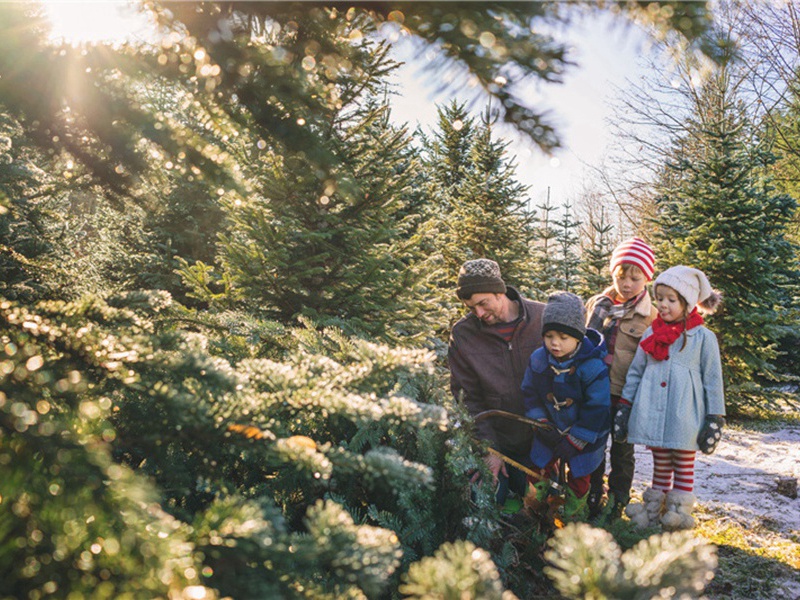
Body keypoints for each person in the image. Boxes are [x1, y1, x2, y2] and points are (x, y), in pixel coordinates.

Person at [615, 266, 725, 530]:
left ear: (687, 303)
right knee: (661, 463)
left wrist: (715, 417)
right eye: (659, 298)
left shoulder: (703, 338)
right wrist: (625, 407)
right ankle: (654, 516)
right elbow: (636, 373)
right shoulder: (651, 333)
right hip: (653, 411)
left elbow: (713, 379)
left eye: (670, 299)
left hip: (685, 414)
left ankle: (677, 519)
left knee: (684, 464)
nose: (662, 305)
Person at [448, 258, 545, 509]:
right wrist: (489, 450)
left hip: (543, 445)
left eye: (483, 303)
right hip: (497, 442)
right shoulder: (463, 335)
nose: (479, 314)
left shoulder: (542, 318)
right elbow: (467, 399)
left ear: (499, 292)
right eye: (471, 308)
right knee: (486, 499)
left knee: (545, 504)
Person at [521, 291, 611, 521]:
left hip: (584, 434)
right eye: (549, 335)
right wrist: (540, 422)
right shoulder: (539, 359)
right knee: (537, 464)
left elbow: (598, 407)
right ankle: (536, 505)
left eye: (563, 337)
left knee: (580, 475)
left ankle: (572, 513)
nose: (555, 343)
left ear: (578, 337)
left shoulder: (592, 367)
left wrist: (577, 438)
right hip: (550, 427)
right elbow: (530, 392)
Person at [584, 237, 657, 520]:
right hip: (595, 390)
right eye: (620, 276)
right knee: (594, 446)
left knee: (623, 452)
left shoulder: (650, 315)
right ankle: (591, 497)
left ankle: (617, 502)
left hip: (626, 395)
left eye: (635, 278)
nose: (626, 284)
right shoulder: (597, 305)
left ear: (646, 278)